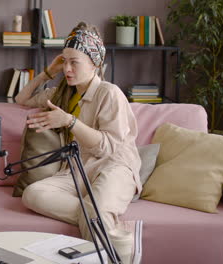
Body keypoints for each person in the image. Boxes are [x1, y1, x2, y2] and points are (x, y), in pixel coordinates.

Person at [15, 22, 141, 264]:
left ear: (94, 63)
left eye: (75, 62)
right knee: (32, 193)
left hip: (114, 166)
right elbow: (22, 98)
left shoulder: (109, 93)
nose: (68, 69)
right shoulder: (62, 93)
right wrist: (49, 72)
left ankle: (112, 246)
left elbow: (108, 147)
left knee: (99, 208)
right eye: (65, 61)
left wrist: (69, 121)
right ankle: (109, 226)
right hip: (77, 169)